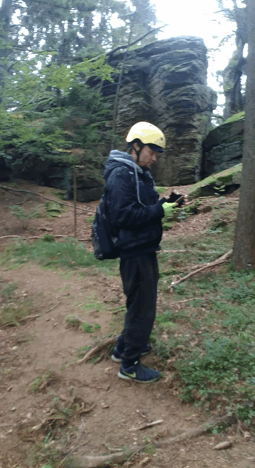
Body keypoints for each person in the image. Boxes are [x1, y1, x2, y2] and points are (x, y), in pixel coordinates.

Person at [104, 121, 177, 383]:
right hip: (133, 252)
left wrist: (165, 205)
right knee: (143, 308)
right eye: (152, 152)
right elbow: (123, 215)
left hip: (143, 248)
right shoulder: (121, 174)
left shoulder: (136, 172)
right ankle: (130, 365)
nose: (154, 158)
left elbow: (140, 209)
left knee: (139, 302)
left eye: (157, 153)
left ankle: (123, 348)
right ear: (136, 146)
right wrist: (159, 211)